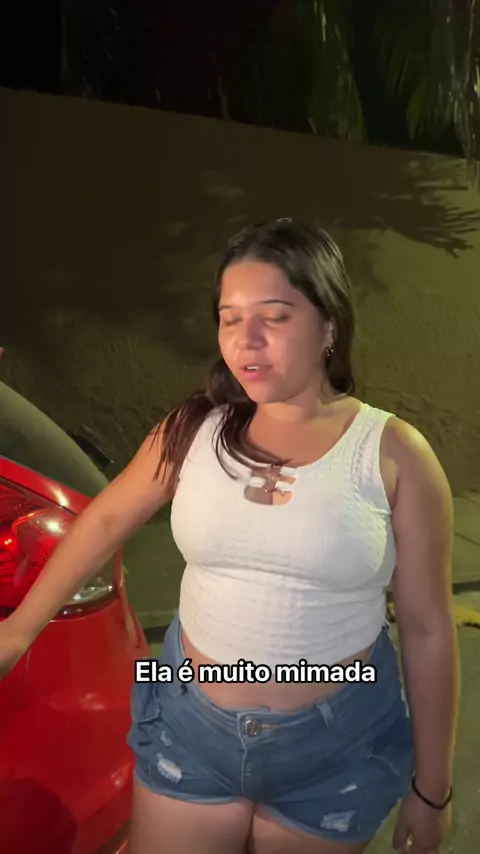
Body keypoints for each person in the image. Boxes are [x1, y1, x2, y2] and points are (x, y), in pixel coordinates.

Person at [0, 220, 459, 854]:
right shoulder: (193, 430)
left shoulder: (392, 452)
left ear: (329, 326)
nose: (247, 339)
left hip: (335, 748)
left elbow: (429, 628)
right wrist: (18, 631)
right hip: (191, 732)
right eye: (229, 318)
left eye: (274, 316)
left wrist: (432, 789)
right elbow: (103, 521)